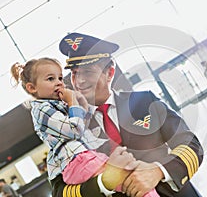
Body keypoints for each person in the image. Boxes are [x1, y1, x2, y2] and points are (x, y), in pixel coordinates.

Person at [49, 32, 204, 197]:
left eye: (87, 72)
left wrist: (159, 170)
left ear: (109, 72)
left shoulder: (145, 101)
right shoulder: (64, 125)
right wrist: (103, 183)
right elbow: (60, 192)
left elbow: (190, 144)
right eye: (74, 73)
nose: (79, 81)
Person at [10, 58, 158, 196]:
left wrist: (79, 102)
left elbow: (82, 124)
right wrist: (73, 104)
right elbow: (75, 130)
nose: (59, 83)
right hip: (79, 160)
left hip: (86, 158)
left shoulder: (142, 101)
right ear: (32, 88)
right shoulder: (42, 109)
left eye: (60, 78)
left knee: (135, 172)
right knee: (131, 177)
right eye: (50, 79)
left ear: (109, 73)